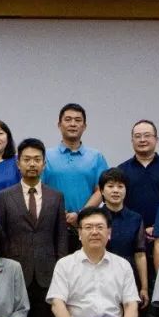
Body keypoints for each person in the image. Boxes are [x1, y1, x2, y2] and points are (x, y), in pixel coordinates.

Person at [0, 137, 66, 317]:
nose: (32, 164)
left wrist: (61, 276)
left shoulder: (56, 197)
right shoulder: (4, 196)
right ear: (18, 163)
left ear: (44, 164)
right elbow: (0, 239)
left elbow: (61, 239)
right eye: (27, 159)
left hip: (47, 278)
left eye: (37, 159)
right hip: (14, 278)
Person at [95, 167, 148, 317]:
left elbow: (140, 253)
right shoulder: (94, 218)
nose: (115, 191)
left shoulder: (135, 218)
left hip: (127, 280)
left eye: (120, 186)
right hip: (98, 279)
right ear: (102, 190)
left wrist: (144, 286)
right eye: (110, 186)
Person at [117, 119, 159, 302]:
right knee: (133, 287)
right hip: (131, 237)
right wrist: (137, 230)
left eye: (147, 135)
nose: (142, 140)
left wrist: (157, 227)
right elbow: (119, 203)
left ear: (156, 139)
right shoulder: (122, 169)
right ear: (132, 140)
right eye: (137, 136)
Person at [42, 103, 109, 252]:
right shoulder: (46, 156)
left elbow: (101, 190)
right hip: (51, 226)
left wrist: (81, 214)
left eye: (78, 120)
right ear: (59, 125)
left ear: (84, 126)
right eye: (68, 119)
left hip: (85, 227)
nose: (73, 124)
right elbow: (39, 188)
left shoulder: (96, 157)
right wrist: (59, 213)